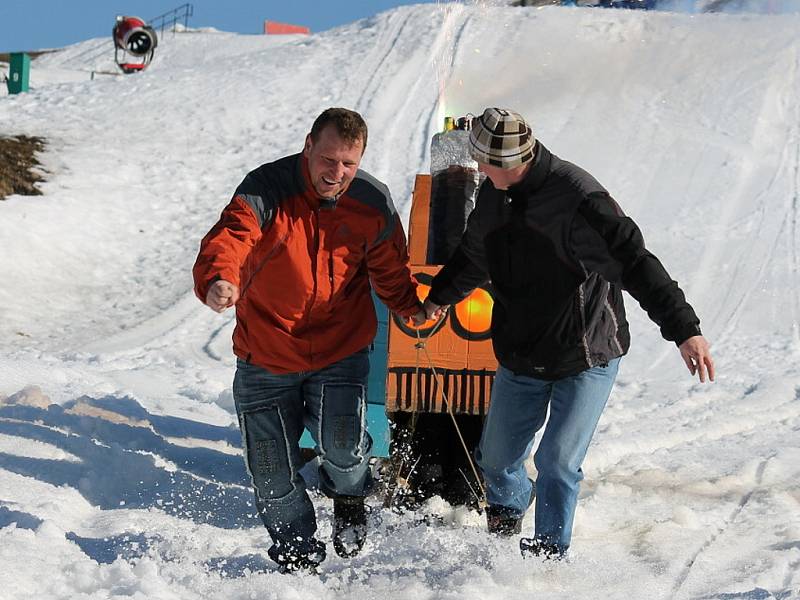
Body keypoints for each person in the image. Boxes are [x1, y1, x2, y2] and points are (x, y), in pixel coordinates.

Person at [422, 107, 715, 560]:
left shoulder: (579, 200)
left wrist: (684, 329)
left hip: (586, 353)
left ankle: (546, 558)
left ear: (508, 163)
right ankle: (513, 504)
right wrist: (439, 298)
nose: (478, 170)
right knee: (496, 459)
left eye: (484, 163)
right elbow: (474, 254)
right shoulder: (495, 195)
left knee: (557, 461)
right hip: (521, 353)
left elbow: (636, 262)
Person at [193, 107, 426, 573]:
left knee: (342, 445)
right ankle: (297, 552)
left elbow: (390, 271)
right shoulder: (267, 189)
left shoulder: (371, 202)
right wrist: (220, 278)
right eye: (328, 159)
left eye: (348, 164)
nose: (336, 173)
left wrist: (412, 308)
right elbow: (230, 239)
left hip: (339, 350)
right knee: (270, 470)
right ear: (308, 145)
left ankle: (348, 497)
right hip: (267, 354)